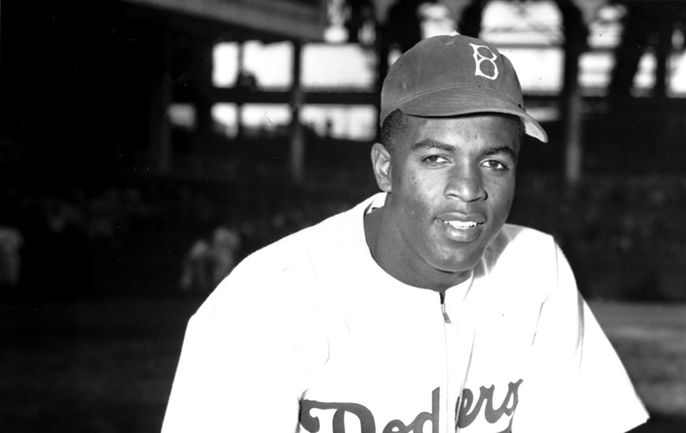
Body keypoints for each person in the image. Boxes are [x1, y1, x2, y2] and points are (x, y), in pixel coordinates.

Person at [162, 34, 648, 433]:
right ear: (385, 168)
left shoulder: (535, 267)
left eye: (495, 162)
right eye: (436, 158)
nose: (468, 189)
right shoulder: (268, 297)